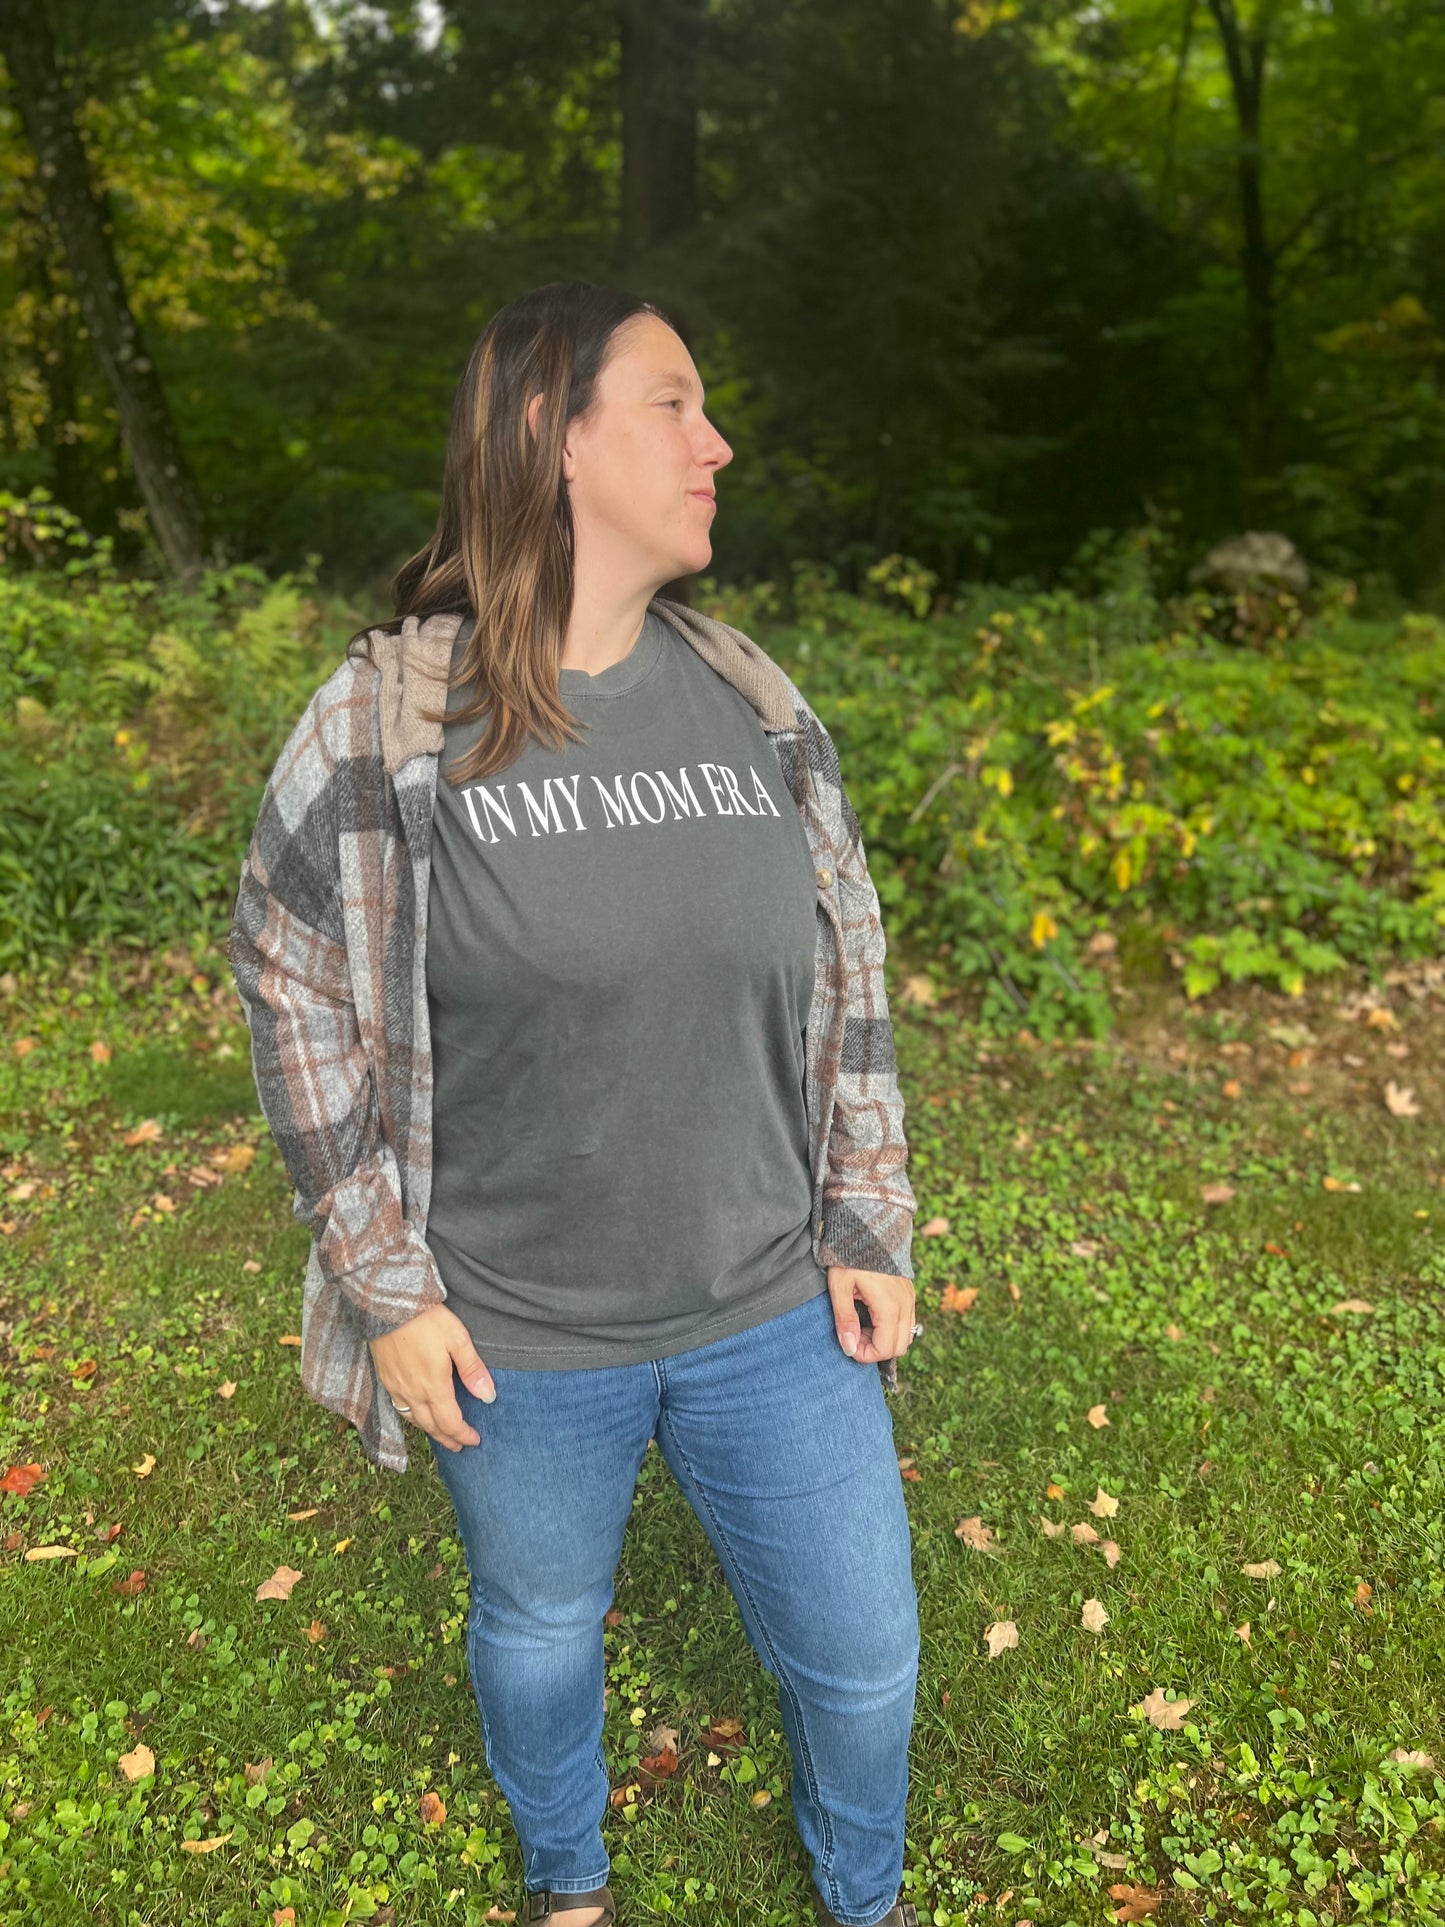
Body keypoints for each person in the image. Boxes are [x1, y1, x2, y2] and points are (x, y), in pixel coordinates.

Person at [230, 281, 922, 1927]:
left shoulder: (752, 700)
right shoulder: (391, 719)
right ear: (550, 435)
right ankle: (566, 1887)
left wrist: (867, 1212)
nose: (718, 442)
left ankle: (864, 1900)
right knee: (538, 1627)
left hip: (769, 1305)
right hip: (518, 1331)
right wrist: (385, 1286)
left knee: (870, 1661)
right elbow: (286, 968)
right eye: (676, 403)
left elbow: (851, 967)